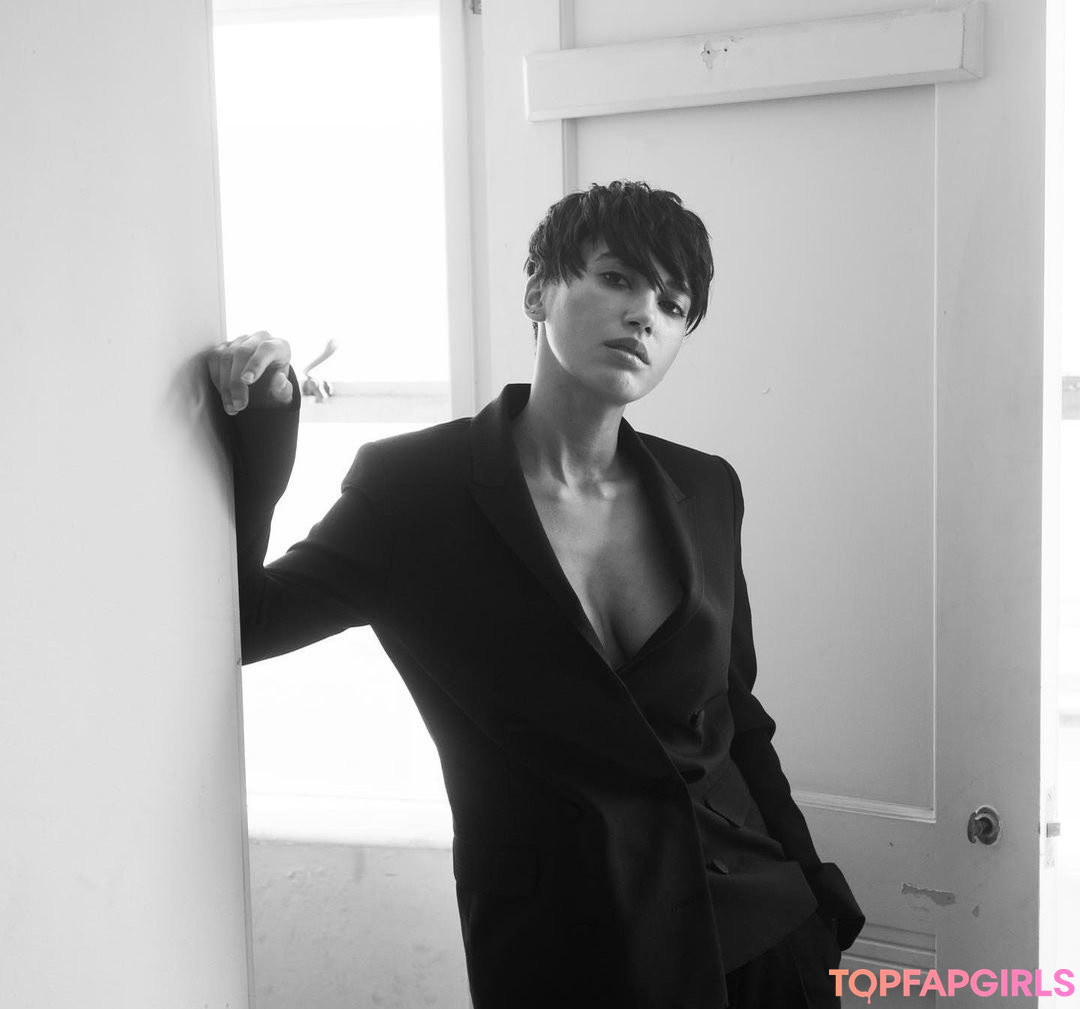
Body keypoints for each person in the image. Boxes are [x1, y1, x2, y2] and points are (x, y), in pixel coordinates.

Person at [207, 180, 864, 1008]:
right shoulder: (415, 491)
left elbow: (737, 717)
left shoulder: (706, 488)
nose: (644, 315)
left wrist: (816, 890)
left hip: (761, 935)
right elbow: (245, 622)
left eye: (672, 304)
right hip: (564, 953)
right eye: (618, 278)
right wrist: (264, 431)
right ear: (537, 292)